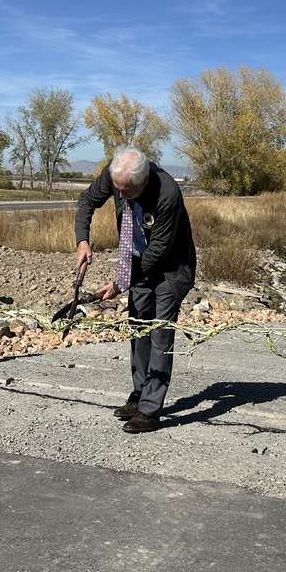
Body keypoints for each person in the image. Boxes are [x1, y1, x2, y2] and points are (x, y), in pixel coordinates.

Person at [74, 146, 196, 433]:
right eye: (118, 190)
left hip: (171, 268)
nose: (121, 196)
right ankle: (140, 394)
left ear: (142, 182)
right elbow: (87, 201)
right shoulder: (118, 174)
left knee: (159, 334)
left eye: (127, 192)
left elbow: (157, 253)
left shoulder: (167, 194)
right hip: (139, 263)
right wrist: (82, 241)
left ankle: (151, 410)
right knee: (138, 327)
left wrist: (119, 283)